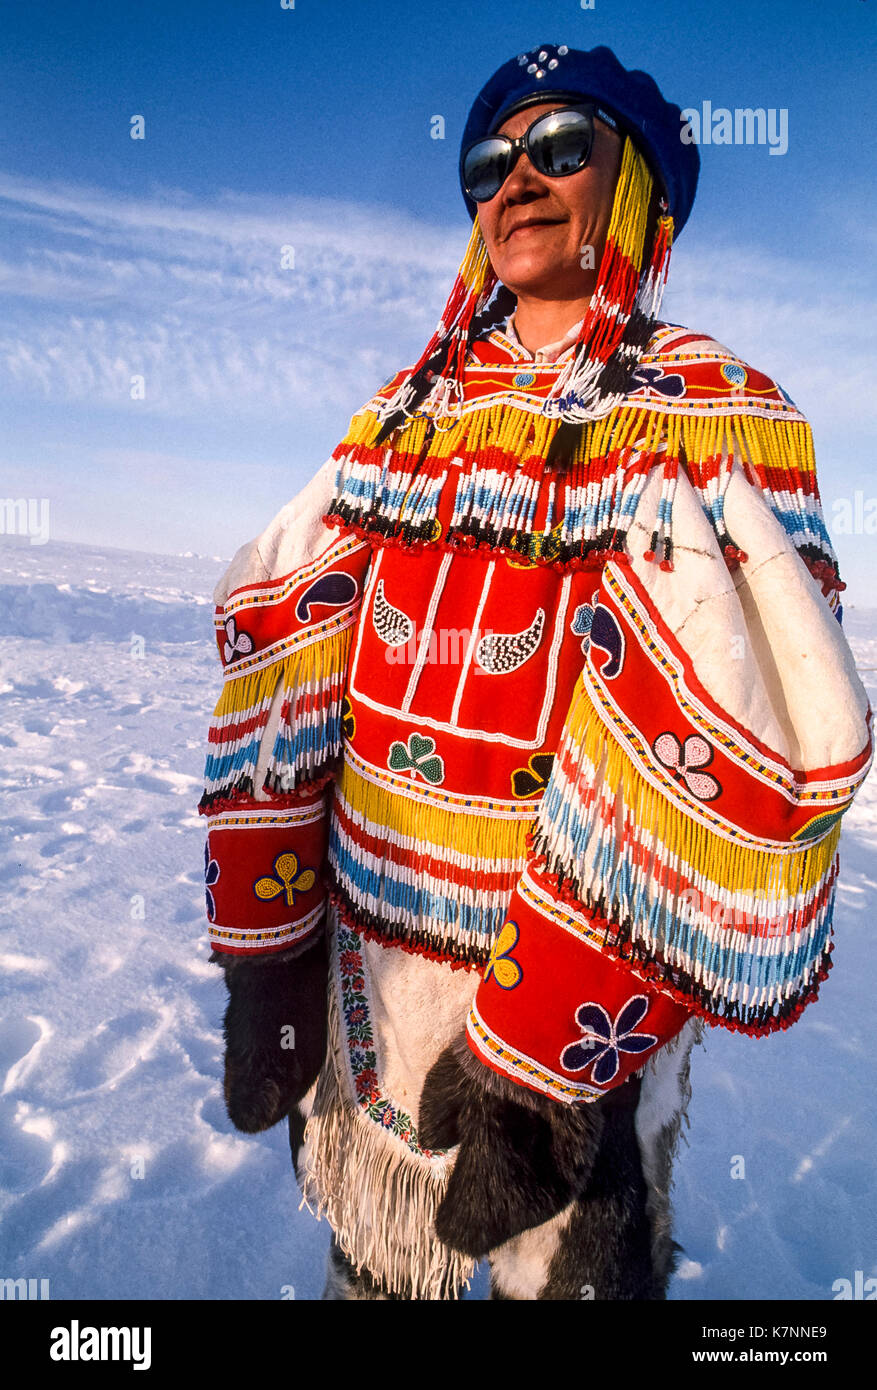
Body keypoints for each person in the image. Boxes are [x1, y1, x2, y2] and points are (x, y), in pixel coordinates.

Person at [198, 43, 872, 1300]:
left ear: (636, 192)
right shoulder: (404, 413)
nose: (516, 182)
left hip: (578, 1002)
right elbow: (289, 659)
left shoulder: (719, 411)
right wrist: (268, 945)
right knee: (376, 1266)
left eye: (561, 148)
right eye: (487, 162)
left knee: (570, 1273)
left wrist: (544, 1063)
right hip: (373, 987)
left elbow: (753, 733)